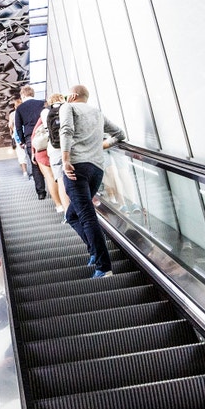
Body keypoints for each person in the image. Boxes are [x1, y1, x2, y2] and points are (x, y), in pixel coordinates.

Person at [59, 85, 126, 278]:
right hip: (96, 169)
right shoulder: (97, 113)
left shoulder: (68, 108)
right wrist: (102, 145)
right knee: (72, 215)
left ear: (72, 96)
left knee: (87, 216)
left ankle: (103, 267)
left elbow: (66, 131)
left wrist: (65, 160)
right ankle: (95, 252)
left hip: (76, 167)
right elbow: (119, 134)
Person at [35, 93, 69, 214]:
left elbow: (46, 130)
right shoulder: (68, 107)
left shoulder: (45, 112)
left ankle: (66, 211)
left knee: (60, 179)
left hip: (55, 149)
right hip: (71, 147)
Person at [12, 85, 47, 199]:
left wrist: (22, 141)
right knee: (50, 161)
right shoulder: (42, 103)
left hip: (30, 138)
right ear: (33, 94)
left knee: (35, 164)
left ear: (22, 95)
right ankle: (57, 187)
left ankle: (41, 193)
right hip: (45, 135)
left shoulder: (20, 109)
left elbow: (18, 127)